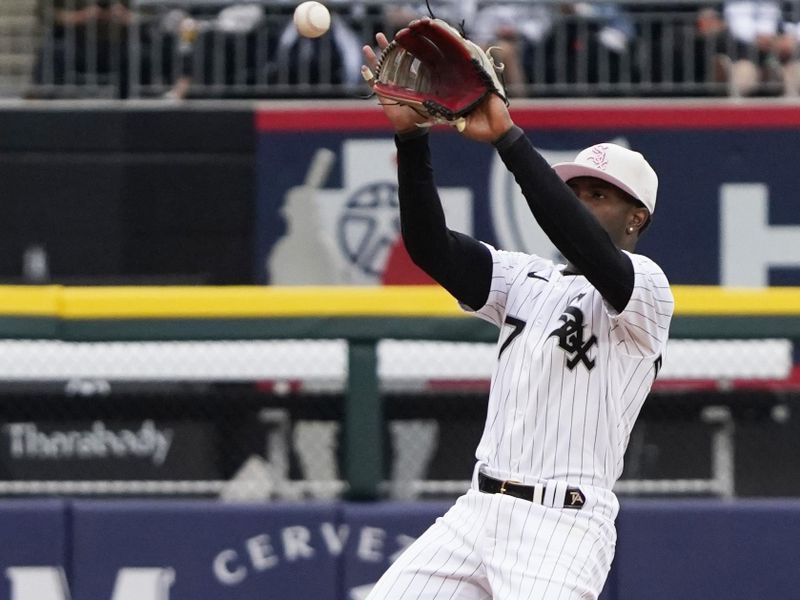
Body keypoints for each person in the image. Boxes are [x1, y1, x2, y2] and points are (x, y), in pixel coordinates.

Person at [361, 23, 674, 600]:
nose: (583, 201)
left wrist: (508, 138)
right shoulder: (526, 279)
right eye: (577, 190)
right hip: (476, 513)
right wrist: (411, 141)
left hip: (562, 527)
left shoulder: (648, 294)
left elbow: (580, 240)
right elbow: (430, 248)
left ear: (637, 219)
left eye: (600, 195)